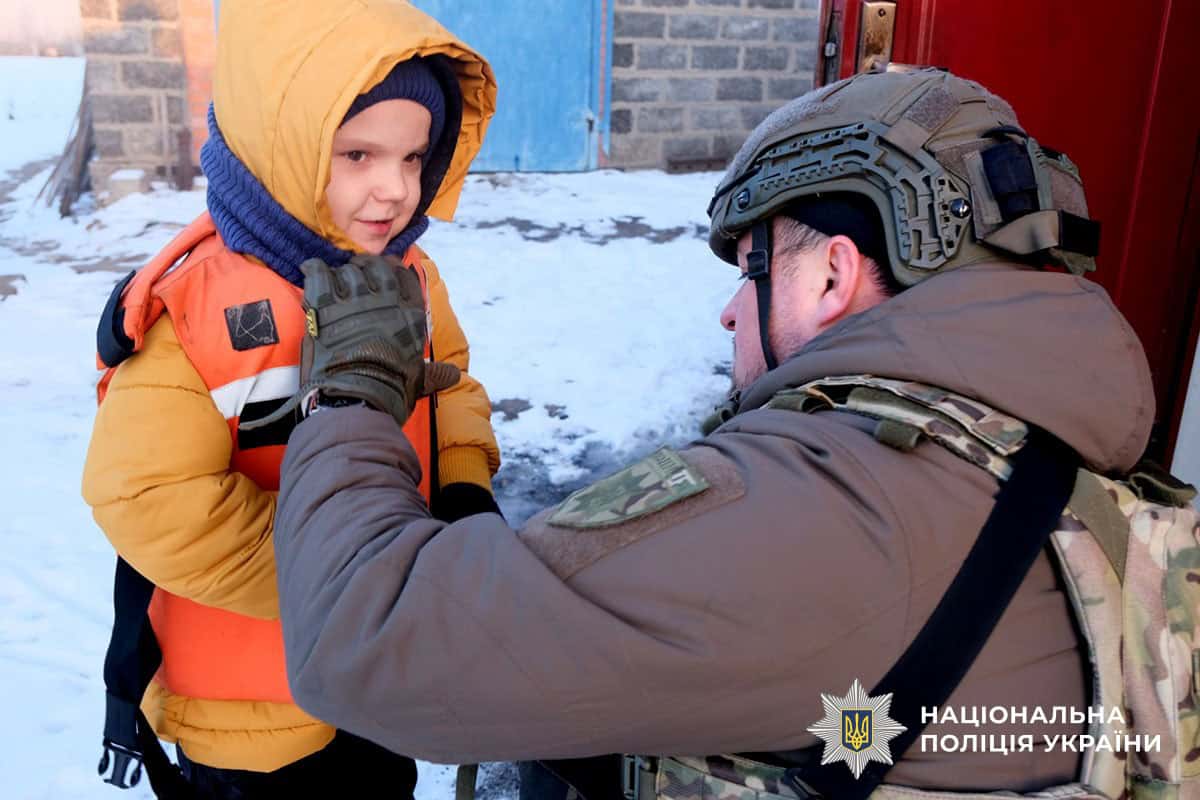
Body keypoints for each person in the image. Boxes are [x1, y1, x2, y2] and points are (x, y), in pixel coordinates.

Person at [269, 69, 1167, 800]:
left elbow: (367, 638)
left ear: (832, 275)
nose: (733, 314)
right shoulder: (1064, 455)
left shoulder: (828, 513)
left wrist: (352, 395)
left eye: (753, 271)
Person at [81, 1, 499, 797]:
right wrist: (339, 569)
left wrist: (465, 489)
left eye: (415, 159)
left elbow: (453, 390)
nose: (394, 190)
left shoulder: (407, 275)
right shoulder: (197, 310)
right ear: (281, 145)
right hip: (253, 717)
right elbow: (143, 495)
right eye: (358, 154)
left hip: (376, 680)